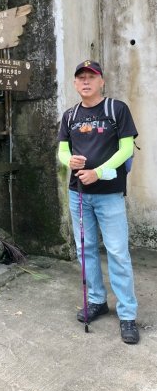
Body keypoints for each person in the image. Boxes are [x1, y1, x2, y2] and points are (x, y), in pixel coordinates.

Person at [58, 60, 139, 344]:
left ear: (101, 81)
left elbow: (126, 148)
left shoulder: (116, 110)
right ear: (75, 83)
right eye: (80, 77)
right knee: (86, 250)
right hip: (78, 193)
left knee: (117, 252)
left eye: (91, 77)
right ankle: (96, 301)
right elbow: (62, 149)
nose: (85, 81)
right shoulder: (70, 116)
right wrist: (70, 160)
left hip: (109, 195)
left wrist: (99, 172)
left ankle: (127, 314)